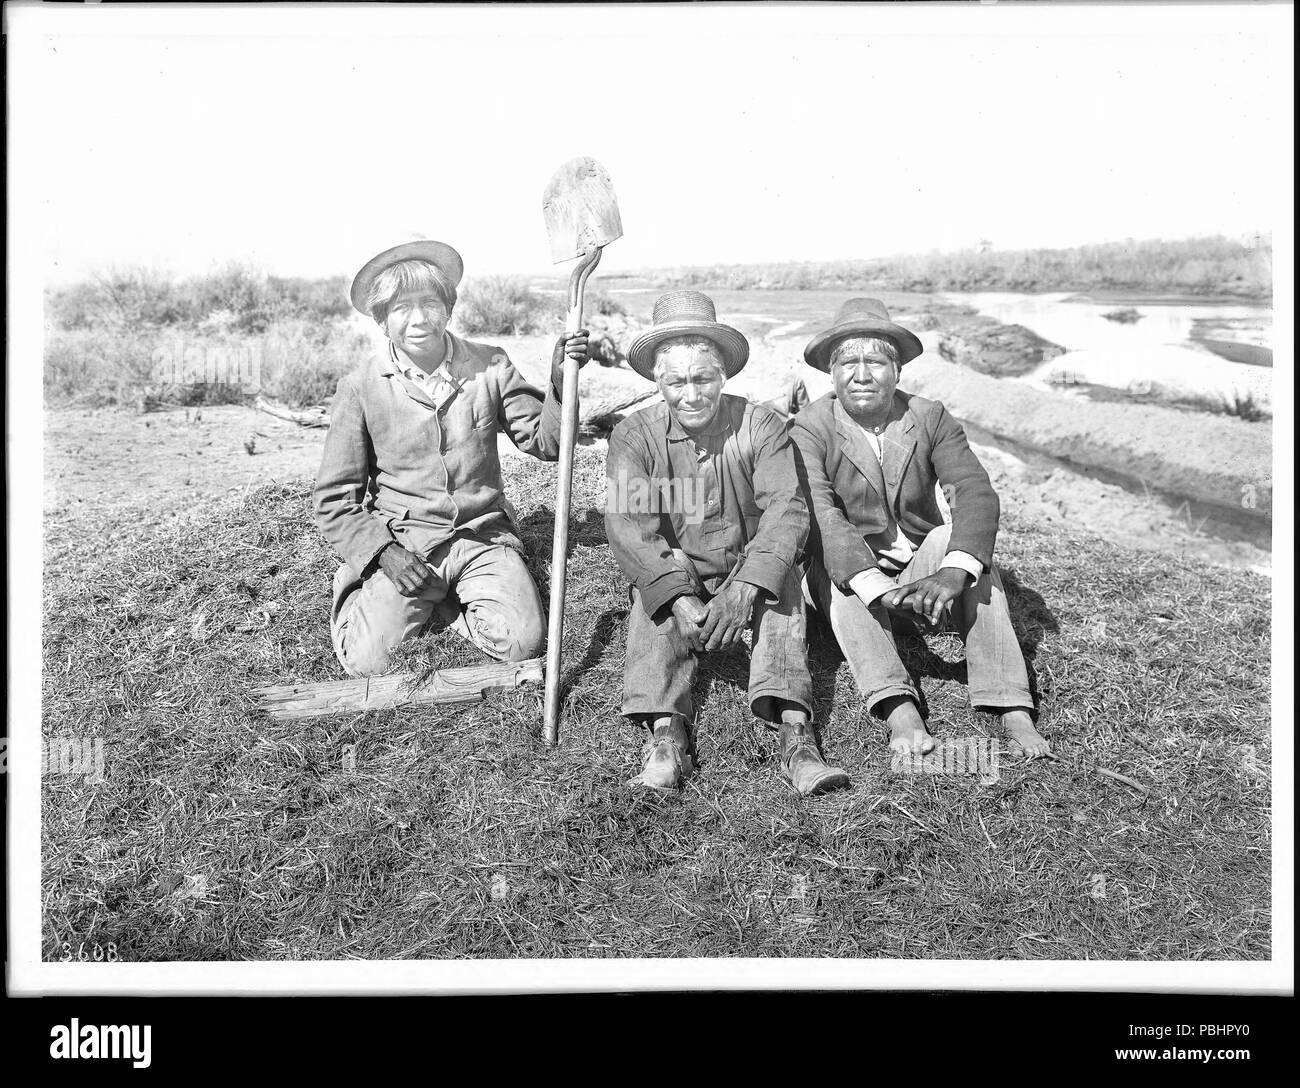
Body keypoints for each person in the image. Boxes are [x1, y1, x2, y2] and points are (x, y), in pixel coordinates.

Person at [605, 290, 850, 795]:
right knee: (652, 593)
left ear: (724, 376)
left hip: (746, 562)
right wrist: (678, 596)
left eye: (703, 378)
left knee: (777, 582)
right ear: (658, 381)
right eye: (676, 382)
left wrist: (742, 591)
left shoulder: (761, 425)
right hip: (681, 566)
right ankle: (667, 737)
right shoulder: (633, 436)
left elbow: (787, 513)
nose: (691, 394)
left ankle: (797, 736)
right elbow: (631, 527)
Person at [314, 237, 591, 676]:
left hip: (483, 537)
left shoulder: (491, 365)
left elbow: (547, 443)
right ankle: (362, 590)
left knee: (522, 642)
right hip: (407, 542)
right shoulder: (360, 386)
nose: (419, 318)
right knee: (365, 662)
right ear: (382, 320)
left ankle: (445, 600)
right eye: (402, 308)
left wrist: (561, 382)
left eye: (429, 303)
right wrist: (383, 554)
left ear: (449, 307)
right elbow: (334, 500)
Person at [790, 298, 1051, 759]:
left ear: (898, 371)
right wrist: (875, 586)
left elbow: (972, 489)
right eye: (848, 362)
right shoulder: (810, 426)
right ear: (831, 375)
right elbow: (821, 514)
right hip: (846, 571)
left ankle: (1010, 703)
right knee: (840, 571)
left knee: (959, 546)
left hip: (913, 569)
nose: (862, 374)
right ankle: (898, 707)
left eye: (876, 362)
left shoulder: (929, 416)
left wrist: (954, 571)